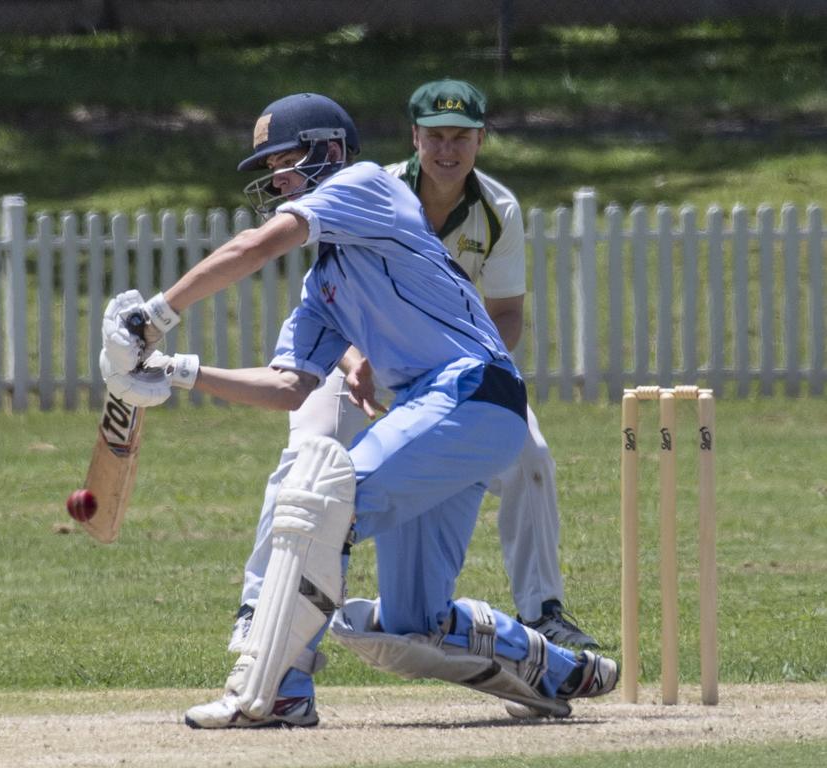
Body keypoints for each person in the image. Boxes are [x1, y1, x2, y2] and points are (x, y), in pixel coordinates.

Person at [98, 92, 618, 729]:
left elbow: (256, 247)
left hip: (469, 393)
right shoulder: (324, 286)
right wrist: (179, 372)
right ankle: (554, 665)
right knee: (410, 624)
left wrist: (152, 318)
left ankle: (283, 689)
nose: (278, 178)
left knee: (324, 499)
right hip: (444, 419)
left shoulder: (365, 186)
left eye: (287, 160)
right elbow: (288, 386)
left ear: (331, 151)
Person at [234, 79, 596, 649]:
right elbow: (331, 298)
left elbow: (505, 316)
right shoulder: (374, 185)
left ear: (480, 140)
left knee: (533, 458)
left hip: (452, 374)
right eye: (434, 137)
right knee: (310, 456)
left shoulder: (497, 209)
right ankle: (260, 604)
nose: (446, 150)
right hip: (354, 357)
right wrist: (364, 360)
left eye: (459, 137)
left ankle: (540, 613)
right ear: (415, 138)